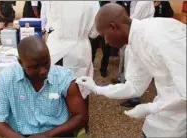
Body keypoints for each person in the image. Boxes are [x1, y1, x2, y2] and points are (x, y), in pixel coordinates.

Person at [76, 3, 186, 137]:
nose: (106, 42)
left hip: (181, 117)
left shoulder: (157, 38)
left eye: (104, 35)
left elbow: (184, 90)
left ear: (113, 27)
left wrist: (150, 107)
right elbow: (134, 86)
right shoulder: (135, 41)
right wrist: (97, 89)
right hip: (164, 109)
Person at [0, 36, 88, 137]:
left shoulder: (64, 78)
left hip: (56, 134)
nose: (43, 71)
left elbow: (81, 116)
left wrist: (48, 135)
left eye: (46, 63)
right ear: (21, 62)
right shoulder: (6, 79)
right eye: (35, 67)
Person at [43, 1, 100, 99]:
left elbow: (48, 24)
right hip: (79, 50)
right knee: (80, 92)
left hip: (56, 49)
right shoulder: (92, 2)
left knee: (56, 93)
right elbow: (94, 32)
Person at [118, 1, 155, 107]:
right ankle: (130, 93)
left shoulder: (143, 2)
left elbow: (132, 20)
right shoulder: (145, 2)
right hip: (139, 36)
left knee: (134, 67)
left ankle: (134, 98)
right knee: (132, 66)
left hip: (137, 36)